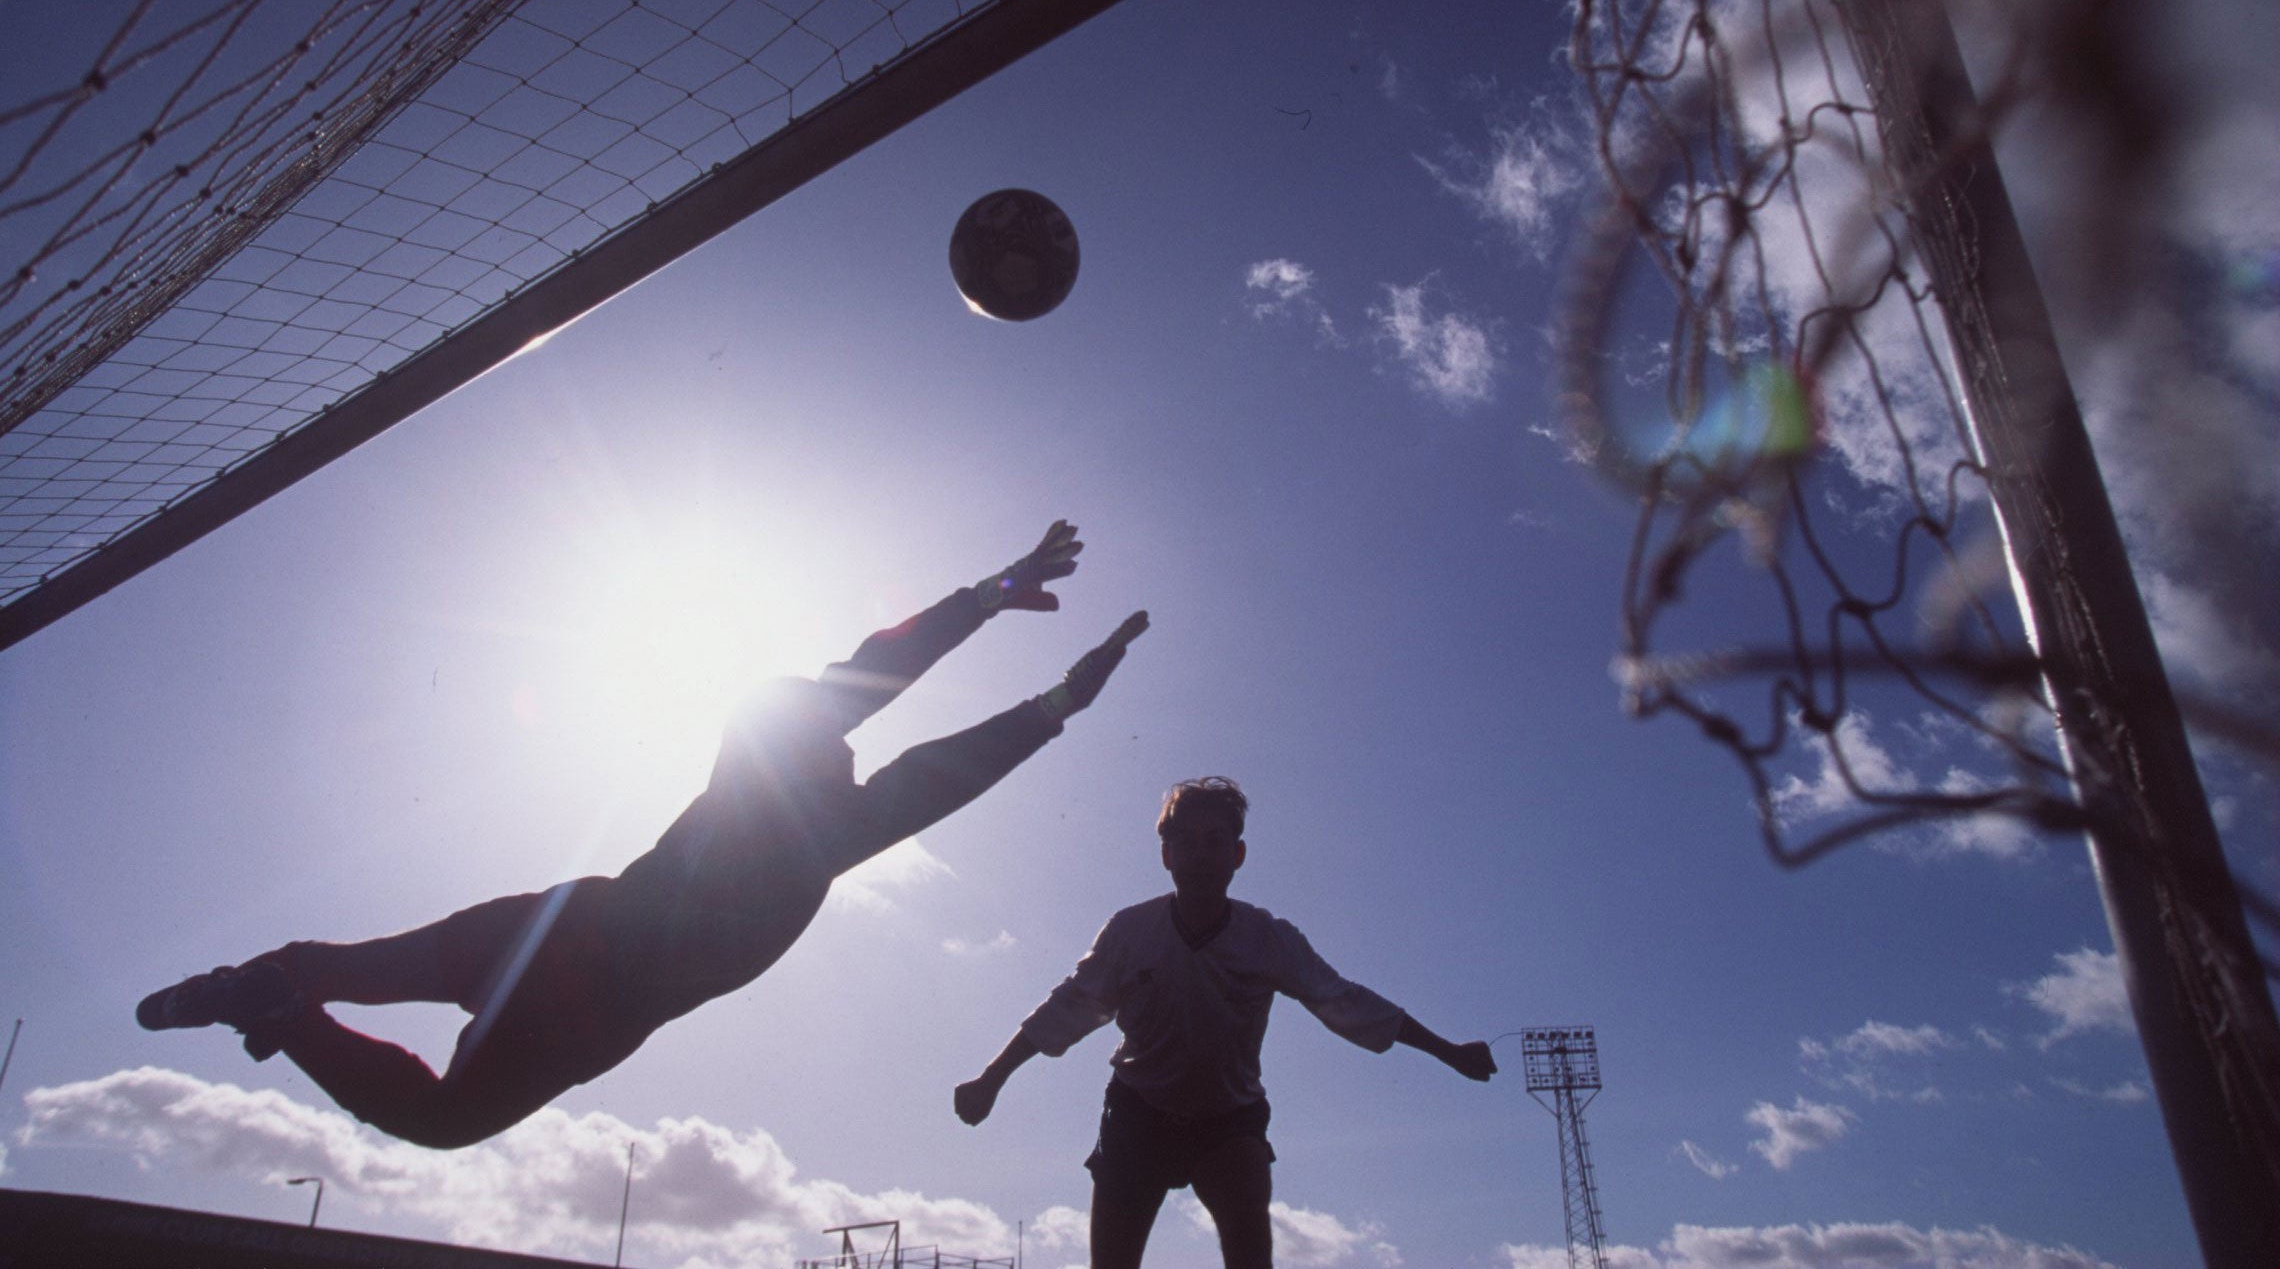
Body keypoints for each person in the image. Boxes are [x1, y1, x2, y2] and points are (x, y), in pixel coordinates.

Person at [138, 522, 1148, 1149]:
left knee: (358, 978)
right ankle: (272, 997)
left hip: (547, 932)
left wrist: (1030, 658)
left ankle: (261, 990)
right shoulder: (798, 801)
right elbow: (905, 727)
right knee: (418, 1080)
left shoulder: (797, 795)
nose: (842, 753)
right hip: (583, 994)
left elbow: (913, 739)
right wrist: (1028, 660)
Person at [953, 776, 1496, 1269]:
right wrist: (991, 1079)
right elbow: (1068, 1007)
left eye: (1215, 841)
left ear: (1237, 855)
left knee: (1250, 1251)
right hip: (1137, 1113)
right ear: (1166, 855)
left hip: (1229, 1120)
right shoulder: (1130, 932)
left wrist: (1448, 1051)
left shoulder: (1269, 938)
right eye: (1186, 841)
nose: (1201, 854)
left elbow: (1344, 1001)